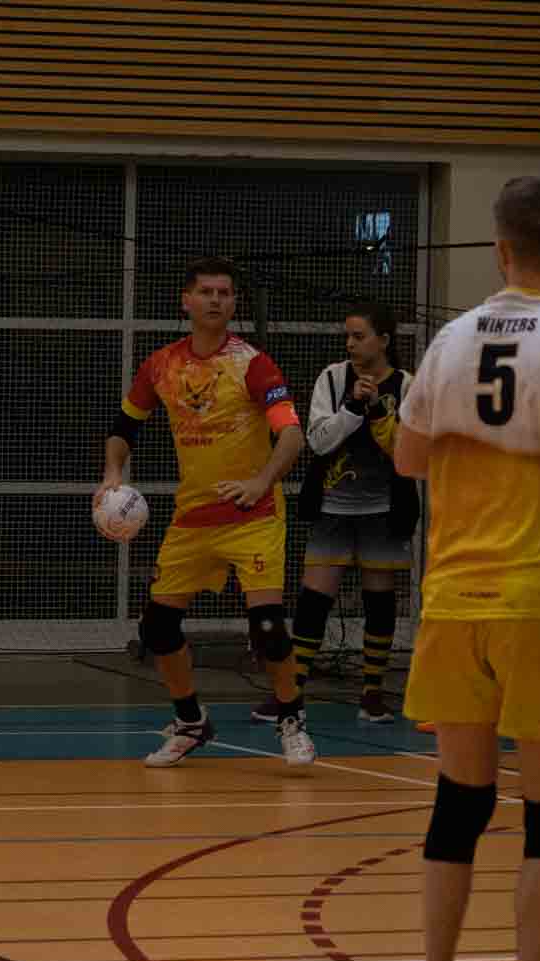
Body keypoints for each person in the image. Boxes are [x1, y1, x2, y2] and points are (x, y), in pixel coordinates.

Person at [395, 176, 540, 961]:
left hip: (453, 597)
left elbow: (408, 458)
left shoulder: (450, 339)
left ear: (500, 248)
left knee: (459, 800)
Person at [98, 256, 314, 767]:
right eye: (207, 291)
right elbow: (124, 427)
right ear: (187, 301)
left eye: (225, 293)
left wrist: (261, 480)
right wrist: (112, 473)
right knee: (157, 628)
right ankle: (191, 721)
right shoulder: (160, 366)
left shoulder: (253, 364)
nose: (216, 300)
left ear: (233, 303)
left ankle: (291, 718)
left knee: (268, 628)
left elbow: (291, 433)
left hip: (253, 514)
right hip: (193, 519)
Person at [250, 301, 419, 725]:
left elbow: (406, 453)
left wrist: (378, 410)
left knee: (379, 599)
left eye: (359, 336)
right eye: (347, 336)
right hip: (333, 507)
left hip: (384, 509)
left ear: (383, 340)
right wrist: (352, 409)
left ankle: (372, 692)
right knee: (314, 598)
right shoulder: (332, 377)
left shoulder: (407, 384)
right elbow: (319, 441)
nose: (350, 344)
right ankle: (291, 692)